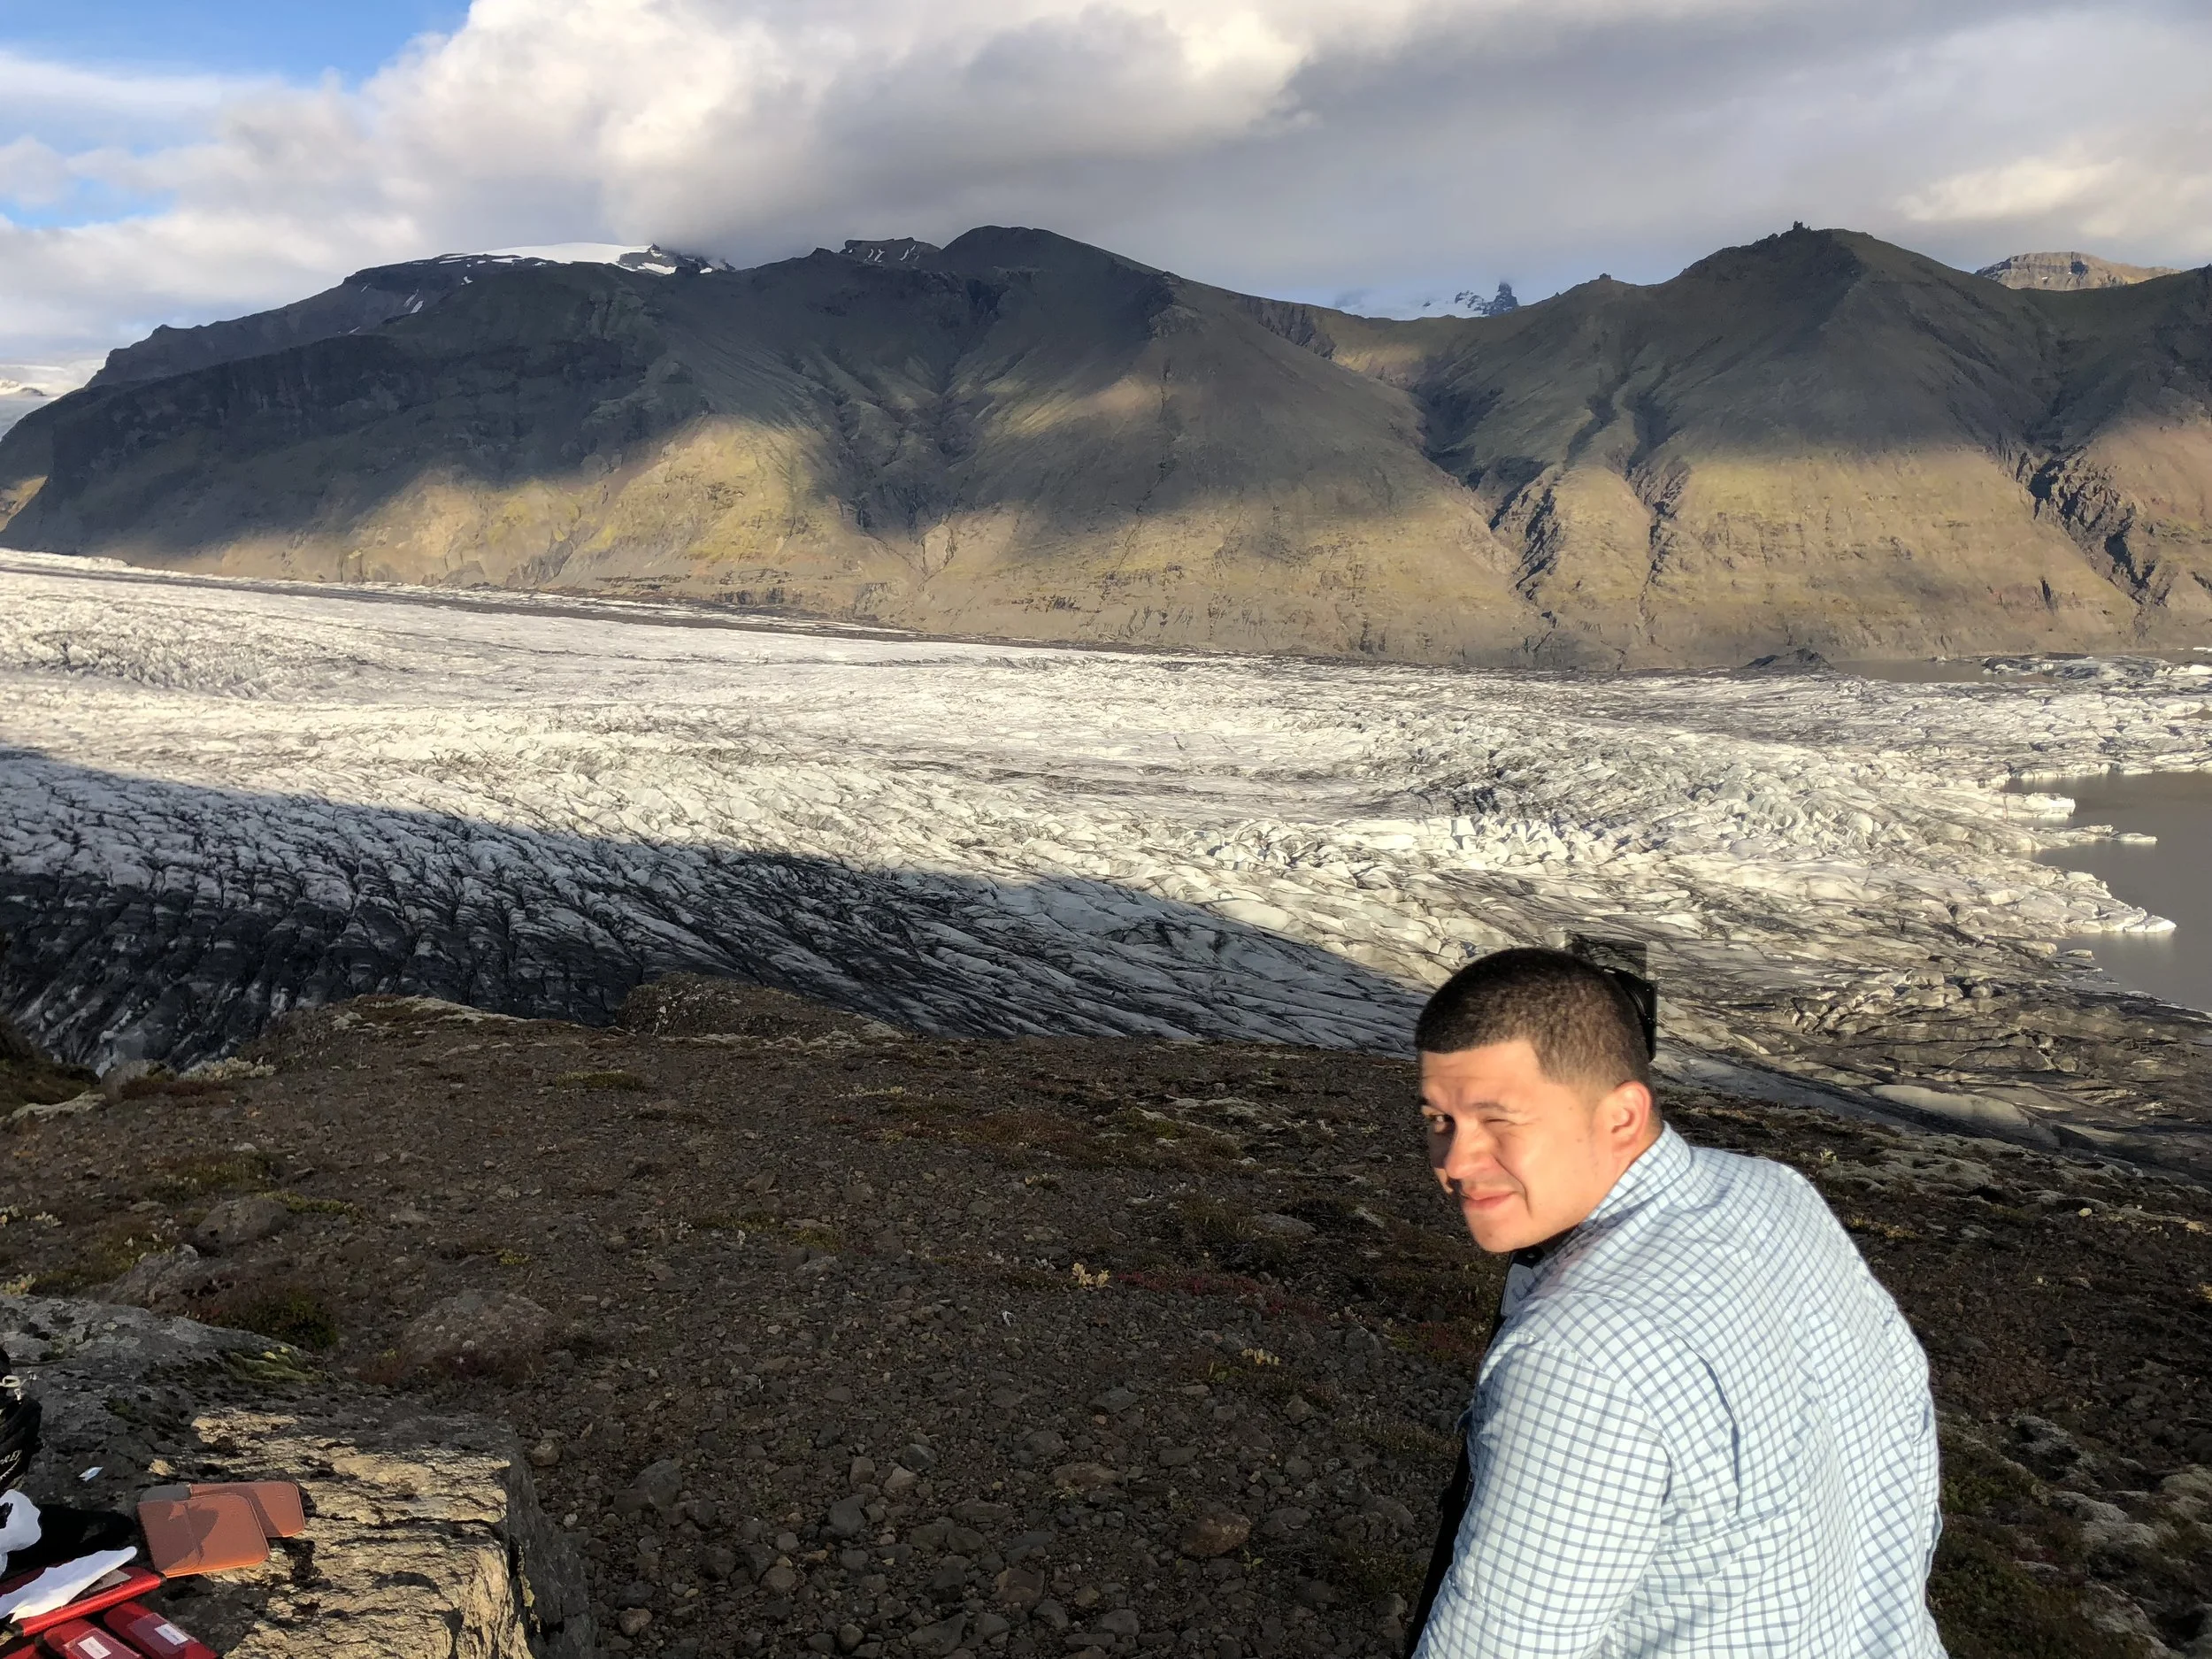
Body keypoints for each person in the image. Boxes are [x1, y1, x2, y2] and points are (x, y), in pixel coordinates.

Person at [1406, 948, 1946, 1658]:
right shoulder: (1773, 1192)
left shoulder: (1580, 1356)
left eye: (1498, 1121)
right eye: (1440, 1119)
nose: (1454, 1160)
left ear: (1622, 1117)